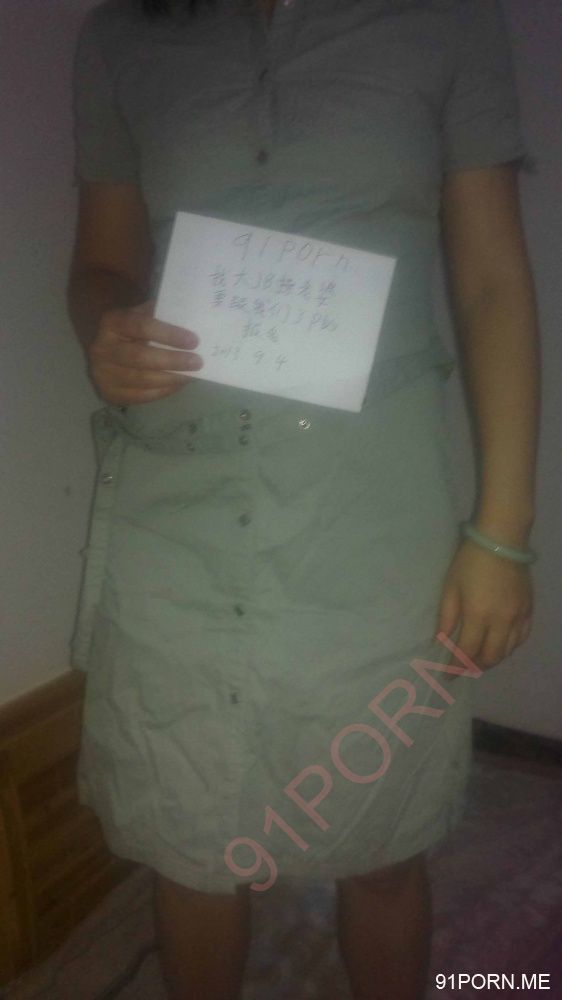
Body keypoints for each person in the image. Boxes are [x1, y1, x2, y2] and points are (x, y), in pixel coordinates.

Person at [67, 0, 540, 997]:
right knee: (191, 847)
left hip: (369, 512)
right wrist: (104, 325)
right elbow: (101, 262)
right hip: (178, 505)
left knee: (381, 844)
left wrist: (502, 534)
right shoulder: (120, 36)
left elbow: (493, 281)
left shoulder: (450, 21)